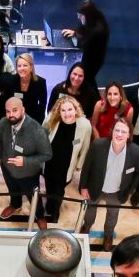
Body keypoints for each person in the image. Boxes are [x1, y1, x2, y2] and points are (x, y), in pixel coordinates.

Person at [77, 117, 139, 249]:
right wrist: (83, 186)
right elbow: (87, 167)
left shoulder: (136, 152)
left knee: (113, 214)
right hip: (95, 188)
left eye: (123, 132)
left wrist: (130, 191)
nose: (119, 134)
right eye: (117, 130)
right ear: (112, 130)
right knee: (90, 210)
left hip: (117, 191)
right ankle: (87, 227)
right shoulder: (98, 145)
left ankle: (108, 235)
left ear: (129, 134)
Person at [38, 94, 94, 227]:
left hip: (67, 167)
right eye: (63, 110)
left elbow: (85, 147)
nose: (67, 113)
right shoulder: (51, 120)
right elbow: (41, 136)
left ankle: (55, 210)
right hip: (50, 164)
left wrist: (79, 165)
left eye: (70, 109)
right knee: (50, 188)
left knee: (59, 191)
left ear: (76, 109)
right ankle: (50, 205)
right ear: (59, 111)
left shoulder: (85, 125)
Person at [0, 93, 51, 220]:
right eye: (8, 111)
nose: (11, 115)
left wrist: (26, 161)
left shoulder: (37, 130)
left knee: (34, 196)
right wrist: (0, 158)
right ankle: (15, 205)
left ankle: (40, 216)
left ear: (23, 110)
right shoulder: (3, 123)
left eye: (15, 111)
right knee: (13, 190)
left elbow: (47, 154)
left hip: (28, 173)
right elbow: (0, 142)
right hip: (7, 167)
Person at [61, 0, 109, 83]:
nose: (79, 18)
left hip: (93, 59)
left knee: (86, 79)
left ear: (87, 15)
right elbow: (82, 28)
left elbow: (83, 43)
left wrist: (76, 35)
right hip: (90, 52)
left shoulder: (98, 30)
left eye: (81, 16)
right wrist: (74, 33)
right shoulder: (92, 17)